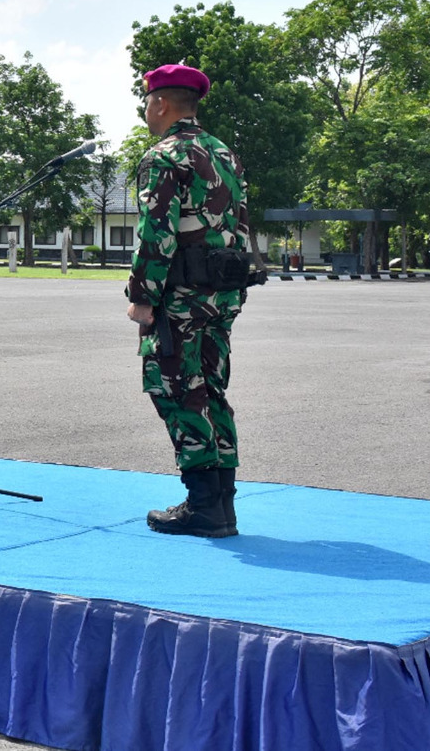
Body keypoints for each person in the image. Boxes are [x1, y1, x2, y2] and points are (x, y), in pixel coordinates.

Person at [126, 64, 257, 539]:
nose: (146, 110)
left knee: (178, 391)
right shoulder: (223, 152)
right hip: (221, 294)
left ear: (161, 103)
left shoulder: (165, 156)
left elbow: (156, 232)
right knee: (211, 390)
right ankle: (222, 505)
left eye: (147, 102)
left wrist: (142, 297)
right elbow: (240, 223)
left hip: (180, 298)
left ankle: (203, 507)